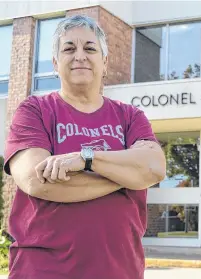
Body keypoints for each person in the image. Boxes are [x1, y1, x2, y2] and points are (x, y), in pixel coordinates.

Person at [3, 15, 166, 279]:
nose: (80, 56)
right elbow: (36, 180)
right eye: (69, 49)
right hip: (42, 271)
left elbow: (155, 167)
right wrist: (127, 177)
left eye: (90, 48)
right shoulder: (34, 111)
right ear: (55, 63)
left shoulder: (130, 116)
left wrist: (85, 159)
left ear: (105, 61)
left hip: (119, 271)